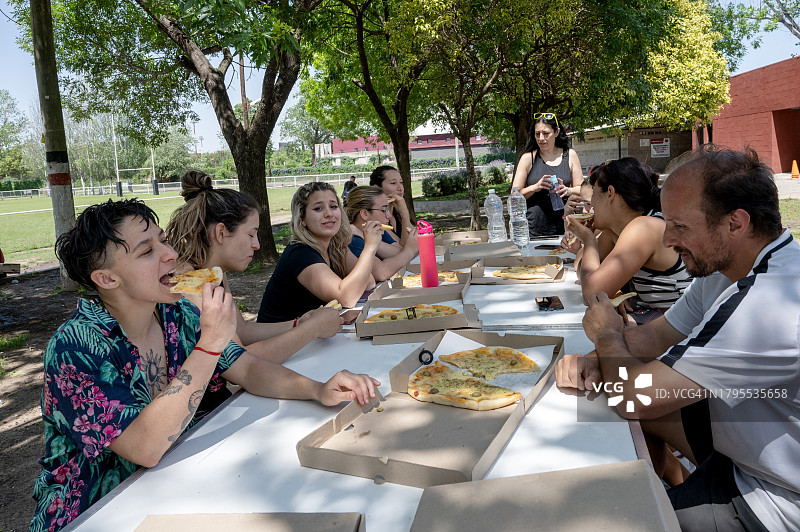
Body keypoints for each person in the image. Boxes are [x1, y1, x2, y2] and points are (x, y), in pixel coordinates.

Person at [31, 199, 380, 531]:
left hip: (183, 483)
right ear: (107, 279)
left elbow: (247, 368)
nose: (171, 255)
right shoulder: (75, 347)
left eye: (164, 242)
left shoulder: (177, 312)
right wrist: (211, 343)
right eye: (148, 251)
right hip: (98, 510)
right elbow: (145, 448)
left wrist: (316, 388)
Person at [555, 146, 800, 531]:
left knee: (613, 519)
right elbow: (654, 337)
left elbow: (631, 398)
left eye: (680, 226)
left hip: (772, 499)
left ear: (735, 223)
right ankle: (666, 483)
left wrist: (606, 337)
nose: (667, 239)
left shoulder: (768, 306)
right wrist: (596, 356)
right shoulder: (728, 267)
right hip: (744, 435)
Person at [165, 170, 343, 413]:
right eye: (251, 234)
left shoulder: (213, 273)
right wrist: (310, 330)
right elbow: (244, 360)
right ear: (220, 233)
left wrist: (298, 322)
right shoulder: (190, 286)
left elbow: (243, 330)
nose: (257, 245)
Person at [563, 158, 692, 317]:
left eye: (595, 193)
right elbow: (584, 274)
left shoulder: (644, 229)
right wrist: (613, 288)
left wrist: (589, 241)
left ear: (610, 193)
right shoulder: (616, 231)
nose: (590, 205)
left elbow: (590, 294)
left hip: (689, 333)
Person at [257, 182, 383, 323]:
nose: (329, 214)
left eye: (333, 206)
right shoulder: (300, 253)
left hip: (314, 338)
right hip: (283, 340)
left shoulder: (335, 246)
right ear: (302, 219)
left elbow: (369, 282)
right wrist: (370, 248)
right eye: (318, 208)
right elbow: (347, 298)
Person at [511, 113, 584, 237]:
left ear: (556, 132)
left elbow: (583, 189)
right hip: (534, 229)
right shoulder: (528, 158)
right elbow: (514, 194)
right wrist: (535, 187)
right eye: (537, 133)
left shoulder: (570, 155)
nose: (541, 138)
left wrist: (568, 190)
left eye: (545, 133)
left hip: (566, 227)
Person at [345, 185, 419, 281]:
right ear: (364, 214)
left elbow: (399, 252)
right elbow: (381, 273)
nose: (388, 216)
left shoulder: (375, 229)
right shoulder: (353, 239)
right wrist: (409, 251)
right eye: (383, 210)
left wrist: (375, 243)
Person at [369, 165, 413, 247]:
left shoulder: (396, 211)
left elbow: (414, 239)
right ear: (376, 188)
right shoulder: (375, 216)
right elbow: (404, 247)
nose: (400, 188)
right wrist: (405, 214)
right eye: (393, 183)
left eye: (401, 182)